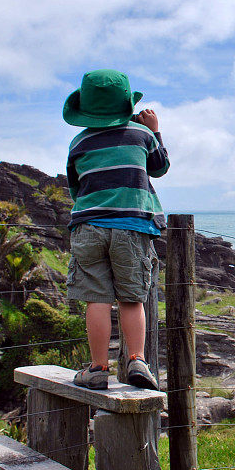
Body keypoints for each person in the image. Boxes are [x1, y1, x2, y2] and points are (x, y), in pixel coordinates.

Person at [63, 69, 170, 390]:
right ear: (126, 105)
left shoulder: (78, 143)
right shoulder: (141, 136)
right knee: (131, 298)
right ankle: (137, 360)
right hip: (132, 226)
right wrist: (154, 130)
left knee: (96, 298)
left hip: (89, 226)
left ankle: (97, 368)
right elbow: (160, 167)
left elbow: (75, 188)